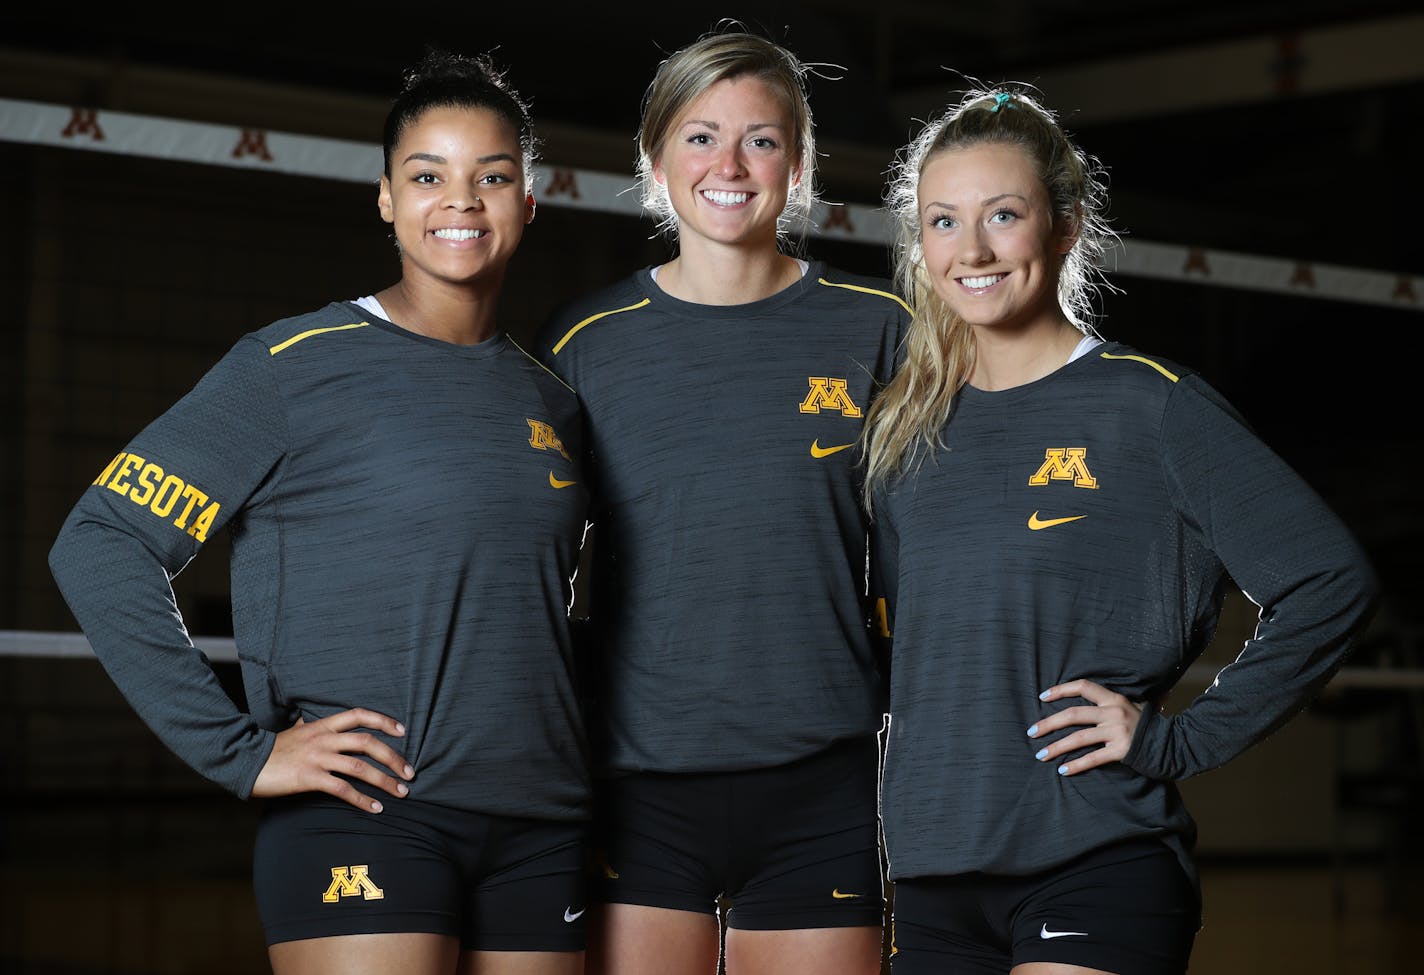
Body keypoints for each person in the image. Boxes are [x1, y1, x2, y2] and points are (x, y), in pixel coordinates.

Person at [48, 50, 591, 975]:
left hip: (544, 825)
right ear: (385, 198)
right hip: (372, 815)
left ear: (528, 202)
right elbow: (100, 542)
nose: (460, 201)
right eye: (428, 176)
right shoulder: (290, 366)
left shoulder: (554, 401)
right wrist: (240, 753)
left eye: (491, 177)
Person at [861, 86, 1379, 975]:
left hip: (1095, 855)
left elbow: (1330, 580)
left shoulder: (1151, 405)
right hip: (932, 870)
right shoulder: (907, 426)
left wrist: (1182, 738)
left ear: (1063, 228)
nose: (972, 249)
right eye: (944, 221)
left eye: (1004, 215)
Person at [534, 29, 908, 975]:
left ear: (799, 161)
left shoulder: (881, 328)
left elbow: (950, 543)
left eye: (762, 140)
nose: (730, 166)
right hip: (637, 779)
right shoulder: (584, 342)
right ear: (655, 160)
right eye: (700, 137)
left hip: (823, 775)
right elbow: (517, 553)